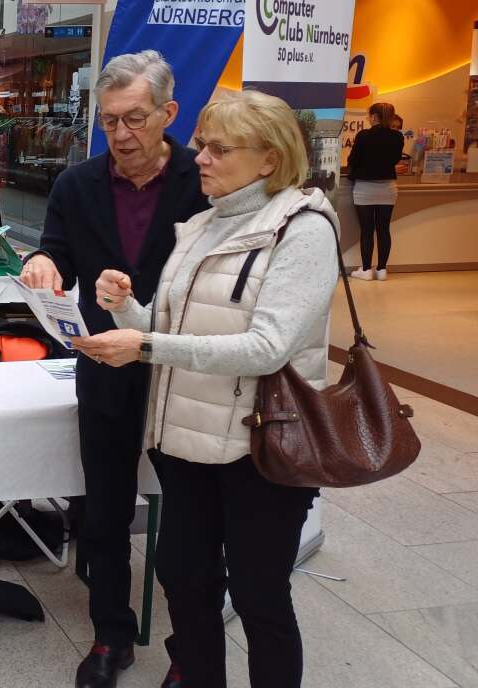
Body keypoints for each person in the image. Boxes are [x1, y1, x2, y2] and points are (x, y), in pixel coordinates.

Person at [78, 89, 339, 688]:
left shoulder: (303, 228)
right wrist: (127, 311)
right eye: (202, 145)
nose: (201, 158)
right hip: (187, 443)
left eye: (220, 149)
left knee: (258, 596)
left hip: (262, 447)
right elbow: (171, 328)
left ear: (270, 158)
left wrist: (145, 347)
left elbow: (267, 348)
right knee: (184, 580)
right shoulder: (199, 225)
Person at [18, 50, 207, 688]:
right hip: (104, 370)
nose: (121, 136)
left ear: (169, 114)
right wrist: (44, 265)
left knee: (188, 519)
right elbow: (59, 255)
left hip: (186, 374)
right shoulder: (77, 184)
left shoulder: (204, 180)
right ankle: (110, 635)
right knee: (103, 511)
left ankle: (191, 652)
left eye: (135, 119)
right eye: (109, 122)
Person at [346, 102, 405, 281]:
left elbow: (354, 159)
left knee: (367, 230)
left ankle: (366, 269)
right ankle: (381, 270)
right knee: (383, 229)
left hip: (364, 188)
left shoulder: (364, 135)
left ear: (373, 117)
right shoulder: (397, 137)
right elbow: (394, 159)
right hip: (388, 188)